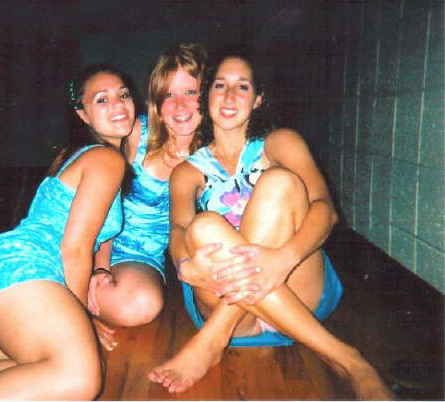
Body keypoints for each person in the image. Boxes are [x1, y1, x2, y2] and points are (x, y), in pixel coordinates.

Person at [148, 48, 393, 400]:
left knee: (279, 182)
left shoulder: (281, 142)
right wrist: (185, 265)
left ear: (258, 98)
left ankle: (213, 339)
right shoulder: (187, 172)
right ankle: (347, 358)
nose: (230, 96)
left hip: (294, 286)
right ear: (207, 95)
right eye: (220, 85)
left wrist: (283, 258)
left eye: (243, 87)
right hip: (231, 303)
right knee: (203, 227)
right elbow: (178, 230)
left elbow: (325, 210)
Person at [0, 64, 136, 400]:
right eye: (102, 99)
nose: (118, 105)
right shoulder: (106, 160)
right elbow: (74, 249)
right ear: (82, 114)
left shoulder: (72, 155)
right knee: (79, 376)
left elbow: (93, 236)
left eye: (123, 95)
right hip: (18, 273)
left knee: (40, 370)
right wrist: (82, 319)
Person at [86, 43, 207, 350]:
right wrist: (99, 266)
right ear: (156, 101)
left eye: (190, 92)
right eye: (168, 94)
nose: (179, 106)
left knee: (142, 305)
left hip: (140, 257)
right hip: (93, 239)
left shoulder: (214, 155)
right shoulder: (137, 132)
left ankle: (56, 305)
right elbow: (104, 200)